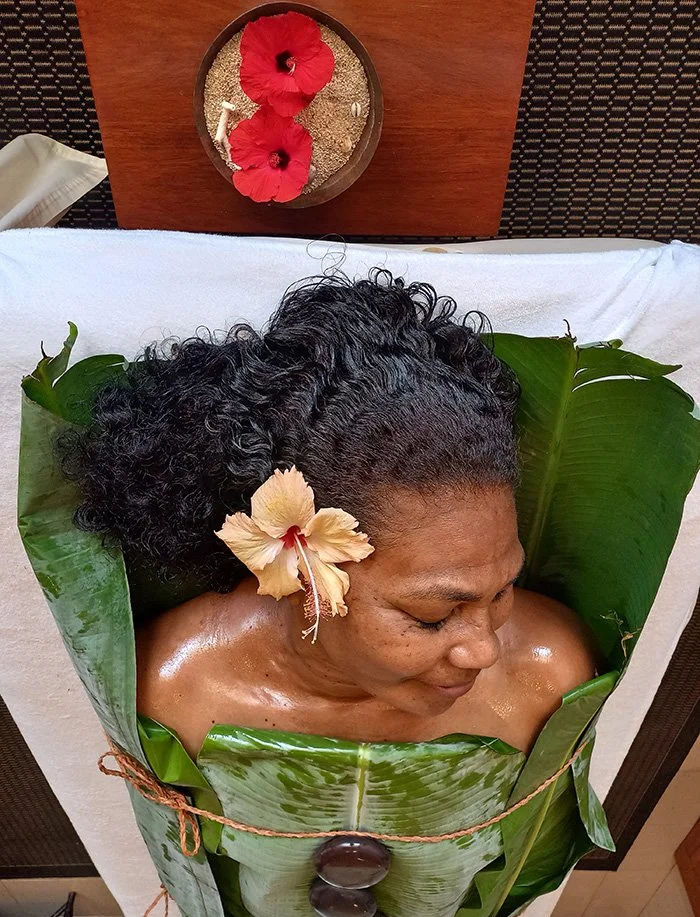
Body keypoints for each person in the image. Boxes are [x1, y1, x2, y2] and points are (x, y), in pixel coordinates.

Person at [62, 272, 596, 760]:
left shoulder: (550, 677)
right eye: (432, 617)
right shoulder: (174, 695)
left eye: (502, 590)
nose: (484, 651)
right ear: (296, 568)